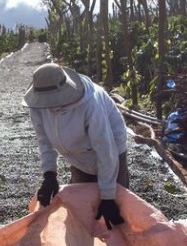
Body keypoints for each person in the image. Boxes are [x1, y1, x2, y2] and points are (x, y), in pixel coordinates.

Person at [23, 63, 130, 230]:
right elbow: (44, 140)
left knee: (115, 213)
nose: (51, 107)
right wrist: (49, 175)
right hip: (77, 158)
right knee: (81, 212)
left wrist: (108, 196)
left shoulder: (89, 104)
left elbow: (105, 149)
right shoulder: (38, 106)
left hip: (111, 152)